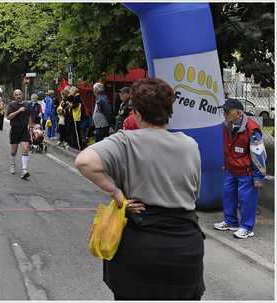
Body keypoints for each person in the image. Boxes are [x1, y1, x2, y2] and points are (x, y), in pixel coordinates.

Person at [75, 77, 205, 300]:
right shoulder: (189, 145)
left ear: (136, 111)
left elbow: (84, 161)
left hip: (140, 243)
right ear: (169, 110)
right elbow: (194, 194)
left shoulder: (125, 141)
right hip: (184, 245)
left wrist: (117, 194)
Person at [213, 98, 267, 239]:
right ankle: (231, 221)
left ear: (238, 113)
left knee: (246, 200)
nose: (224, 114)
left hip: (246, 172)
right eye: (224, 111)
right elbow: (228, 147)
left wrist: (259, 176)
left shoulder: (252, 129)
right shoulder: (227, 125)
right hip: (232, 170)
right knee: (228, 196)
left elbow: (258, 154)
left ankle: (247, 228)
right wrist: (226, 163)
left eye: (228, 111)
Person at [6, 89, 33, 179]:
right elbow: (8, 117)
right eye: (16, 95)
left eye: (20, 94)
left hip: (24, 130)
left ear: (22, 95)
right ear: (14, 96)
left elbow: (29, 116)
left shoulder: (27, 104)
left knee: (25, 149)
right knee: (14, 151)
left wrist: (31, 127)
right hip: (14, 130)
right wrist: (18, 111)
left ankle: (24, 170)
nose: (18, 96)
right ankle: (12, 165)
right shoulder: (11, 105)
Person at [69, 86, 84, 151]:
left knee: (76, 132)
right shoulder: (79, 97)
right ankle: (76, 146)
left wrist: (70, 105)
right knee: (75, 132)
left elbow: (75, 107)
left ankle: (78, 147)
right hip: (77, 116)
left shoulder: (76, 98)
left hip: (76, 116)